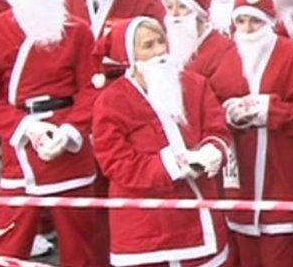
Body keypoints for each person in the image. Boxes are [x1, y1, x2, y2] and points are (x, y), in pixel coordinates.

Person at [0, 0, 103, 266]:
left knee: (82, 239)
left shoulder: (78, 31)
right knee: (10, 238)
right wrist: (27, 128)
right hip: (21, 144)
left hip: (70, 143)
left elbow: (91, 88)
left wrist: (71, 130)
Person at [92, 17, 232, 267]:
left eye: (161, 42)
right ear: (130, 56)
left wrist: (213, 149)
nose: (159, 51)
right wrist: (174, 165)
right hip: (145, 225)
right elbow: (115, 162)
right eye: (148, 46)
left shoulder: (195, 84)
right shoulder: (111, 101)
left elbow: (217, 128)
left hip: (198, 218)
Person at [209, 0, 293, 266]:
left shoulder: (292, 55)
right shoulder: (225, 56)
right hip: (239, 179)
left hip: (280, 174)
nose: (247, 29)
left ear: (269, 22)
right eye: (242, 21)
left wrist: (269, 111)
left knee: (283, 252)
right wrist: (227, 113)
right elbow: (207, 110)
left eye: (255, 21)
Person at [163, 0, 235, 80]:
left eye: (182, 6)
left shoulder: (224, 48)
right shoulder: (167, 44)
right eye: (170, 7)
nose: (175, 13)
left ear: (198, 13)